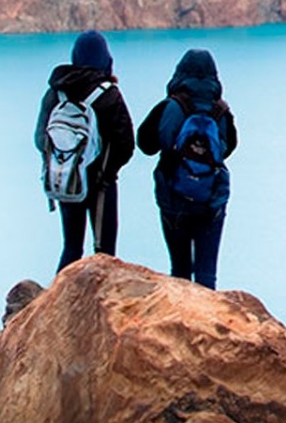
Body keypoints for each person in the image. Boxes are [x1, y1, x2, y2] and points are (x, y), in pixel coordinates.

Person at [136, 48, 239, 288]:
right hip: (212, 200)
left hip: (174, 199)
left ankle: (181, 321)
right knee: (206, 274)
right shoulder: (221, 111)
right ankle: (206, 320)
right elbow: (229, 148)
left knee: (180, 269)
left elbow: (145, 143)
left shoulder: (171, 106)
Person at [35, 30, 134, 273]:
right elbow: (126, 143)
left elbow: (40, 138)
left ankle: (61, 305)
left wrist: (65, 160)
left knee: (71, 247)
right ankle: (101, 308)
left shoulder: (56, 93)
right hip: (101, 183)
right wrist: (106, 171)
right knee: (104, 252)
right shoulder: (108, 93)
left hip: (67, 179)